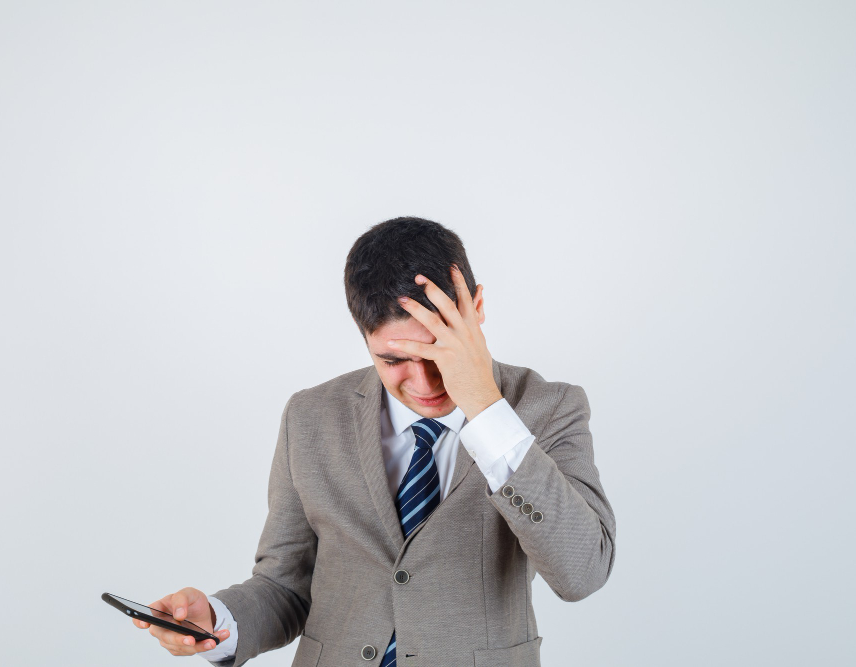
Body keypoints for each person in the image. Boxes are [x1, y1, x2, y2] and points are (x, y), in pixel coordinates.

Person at [132, 217, 616, 666]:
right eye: (394, 360)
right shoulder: (310, 417)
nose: (424, 383)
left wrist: (487, 411)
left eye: (438, 351)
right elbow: (286, 585)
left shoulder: (550, 408)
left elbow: (584, 571)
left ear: (477, 309)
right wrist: (218, 620)